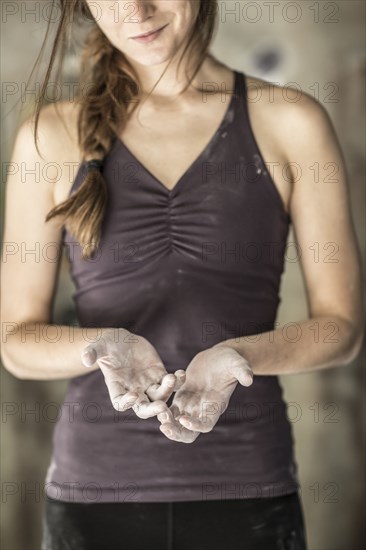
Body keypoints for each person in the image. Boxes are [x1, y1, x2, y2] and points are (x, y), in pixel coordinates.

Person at [1, 1, 364, 549]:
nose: (136, 10)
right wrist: (100, 345)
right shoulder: (47, 137)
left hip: (249, 494)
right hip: (91, 500)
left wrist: (241, 357)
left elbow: (341, 326)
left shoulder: (291, 121)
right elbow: (16, 342)